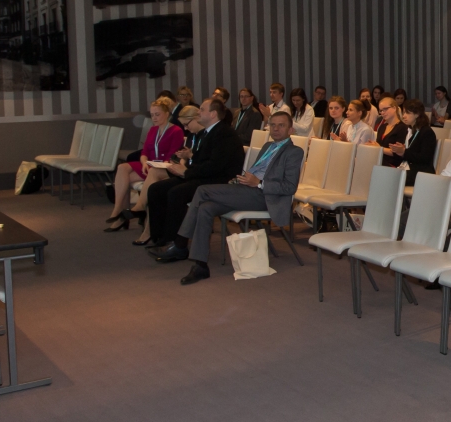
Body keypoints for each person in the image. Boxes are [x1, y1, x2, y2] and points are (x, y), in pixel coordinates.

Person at [160, 110, 306, 283]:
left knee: (202, 190)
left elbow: (289, 187)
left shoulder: (294, 152)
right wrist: (241, 180)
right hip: (248, 190)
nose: (276, 129)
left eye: (281, 125)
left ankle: (180, 242)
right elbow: (255, 171)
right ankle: (200, 265)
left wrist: (259, 183)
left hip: (265, 196)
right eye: (273, 125)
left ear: (290, 130)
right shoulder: (268, 147)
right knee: (206, 208)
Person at [137, 98, 242, 249]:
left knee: (176, 193)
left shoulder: (224, 133)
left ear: (213, 114)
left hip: (219, 181)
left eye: (202, 110)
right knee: (156, 189)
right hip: (206, 176)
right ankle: (160, 237)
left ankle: (176, 244)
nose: (198, 112)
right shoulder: (210, 132)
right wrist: (184, 166)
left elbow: (215, 166)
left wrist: (186, 172)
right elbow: (201, 160)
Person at [104, 98, 182, 230]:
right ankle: (117, 210)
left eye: (157, 114)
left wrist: (154, 166)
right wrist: (144, 163)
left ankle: (121, 216)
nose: (154, 118)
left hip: (162, 168)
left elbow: (172, 156)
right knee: (122, 168)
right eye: (152, 115)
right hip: (149, 165)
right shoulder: (153, 130)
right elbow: (144, 152)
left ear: (167, 114)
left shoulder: (176, 131)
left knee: (125, 179)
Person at [396, 100, 438, 182]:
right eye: (403, 113)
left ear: (417, 114)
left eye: (407, 113)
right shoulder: (408, 130)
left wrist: (404, 152)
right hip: (409, 168)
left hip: (421, 171)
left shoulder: (427, 132)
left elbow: (425, 158)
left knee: (392, 177)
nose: (404, 116)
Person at [375, 96, 406, 163]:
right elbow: (378, 145)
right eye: (381, 110)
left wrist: (378, 148)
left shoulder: (402, 128)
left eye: (385, 109)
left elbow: (397, 153)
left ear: (394, 108)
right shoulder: (382, 127)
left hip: (393, 164)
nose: (382, 113)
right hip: (379, 161)